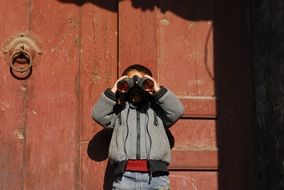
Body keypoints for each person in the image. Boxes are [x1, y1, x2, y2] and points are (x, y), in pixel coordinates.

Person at [92, 64, 184, 190]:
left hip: (156, 177)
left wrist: (156, 89)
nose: (136, 88)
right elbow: (98, 114)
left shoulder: (158, 112)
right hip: (124, 178)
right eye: (128, 82)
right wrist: (115, 88)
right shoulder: (120, 113)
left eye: (142, 83)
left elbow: (177, 111)